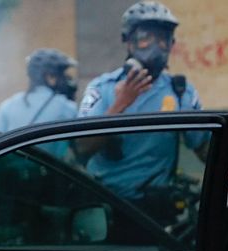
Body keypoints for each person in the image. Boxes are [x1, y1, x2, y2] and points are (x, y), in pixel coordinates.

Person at [76, 1, 207, 211]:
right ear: (129, 42)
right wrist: (120, 104)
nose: (156, 47)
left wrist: (227, 170)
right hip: (107, 205)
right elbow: (82, 149)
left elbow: (203, 147)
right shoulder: (102, 88)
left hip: (157, 211)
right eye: (146, 38)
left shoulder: (180, 90)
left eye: (163, 39)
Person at [0, 49, 78, 133]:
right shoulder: (67, 108)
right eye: (62, 75)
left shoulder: (7, 106)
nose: (67, 79)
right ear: (50, 77)